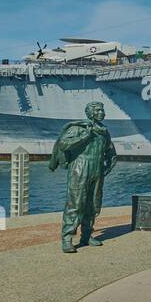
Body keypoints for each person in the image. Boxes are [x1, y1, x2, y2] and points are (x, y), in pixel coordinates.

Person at [49, 101, 116, 253]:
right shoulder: (78, 128)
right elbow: (63, 144)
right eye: (98, 110)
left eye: (102, 110)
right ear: (90, 112)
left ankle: (86, 235)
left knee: (93, 205)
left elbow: (110, 152)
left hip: (96, 170)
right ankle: (67, 238)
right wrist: (85, 137)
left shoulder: (104, 131)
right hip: (80, 168)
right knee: (75, 204)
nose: (102, 113)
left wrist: (106, 169)